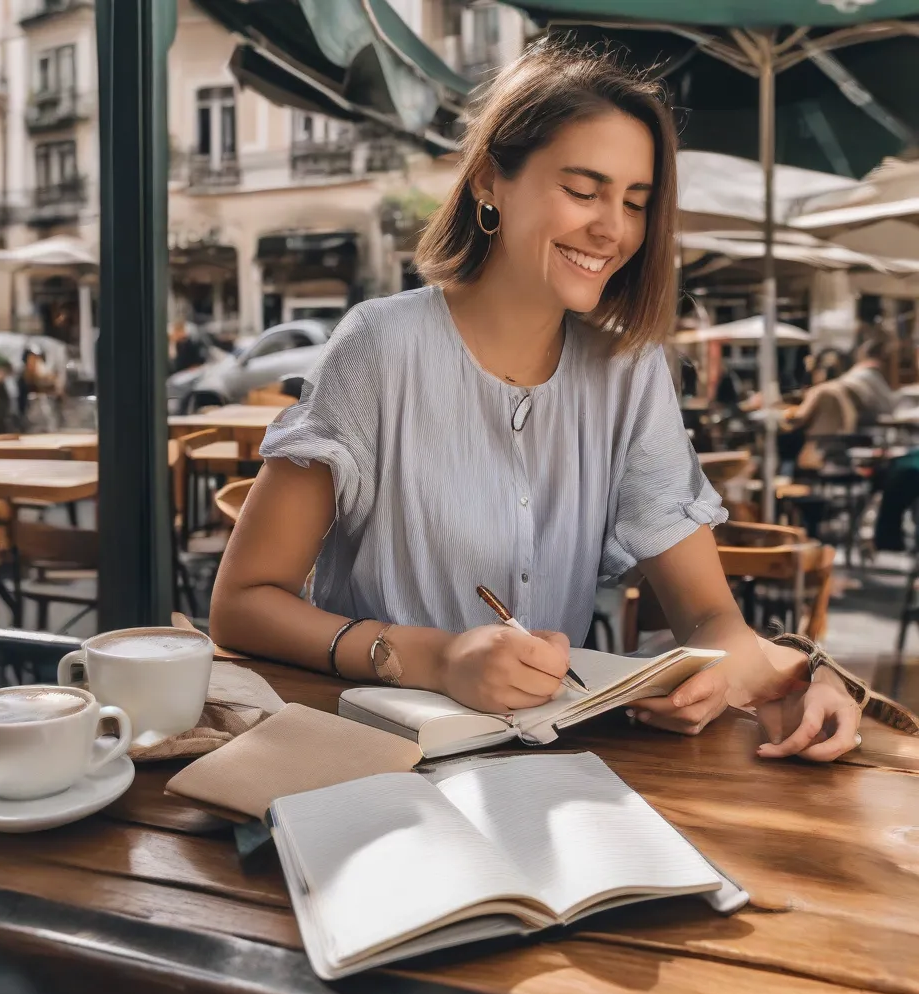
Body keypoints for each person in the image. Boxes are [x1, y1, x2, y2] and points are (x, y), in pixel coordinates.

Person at [211, 40, 862, 762]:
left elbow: (710, 617)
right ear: (491, 179)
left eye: (635, 202)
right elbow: (242, 604)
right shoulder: (380, 346)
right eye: (583, 192)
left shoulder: (628, 369)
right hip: (375, 765)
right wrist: (437, 658)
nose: (612, 228)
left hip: (551, 776)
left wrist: (800, 675)